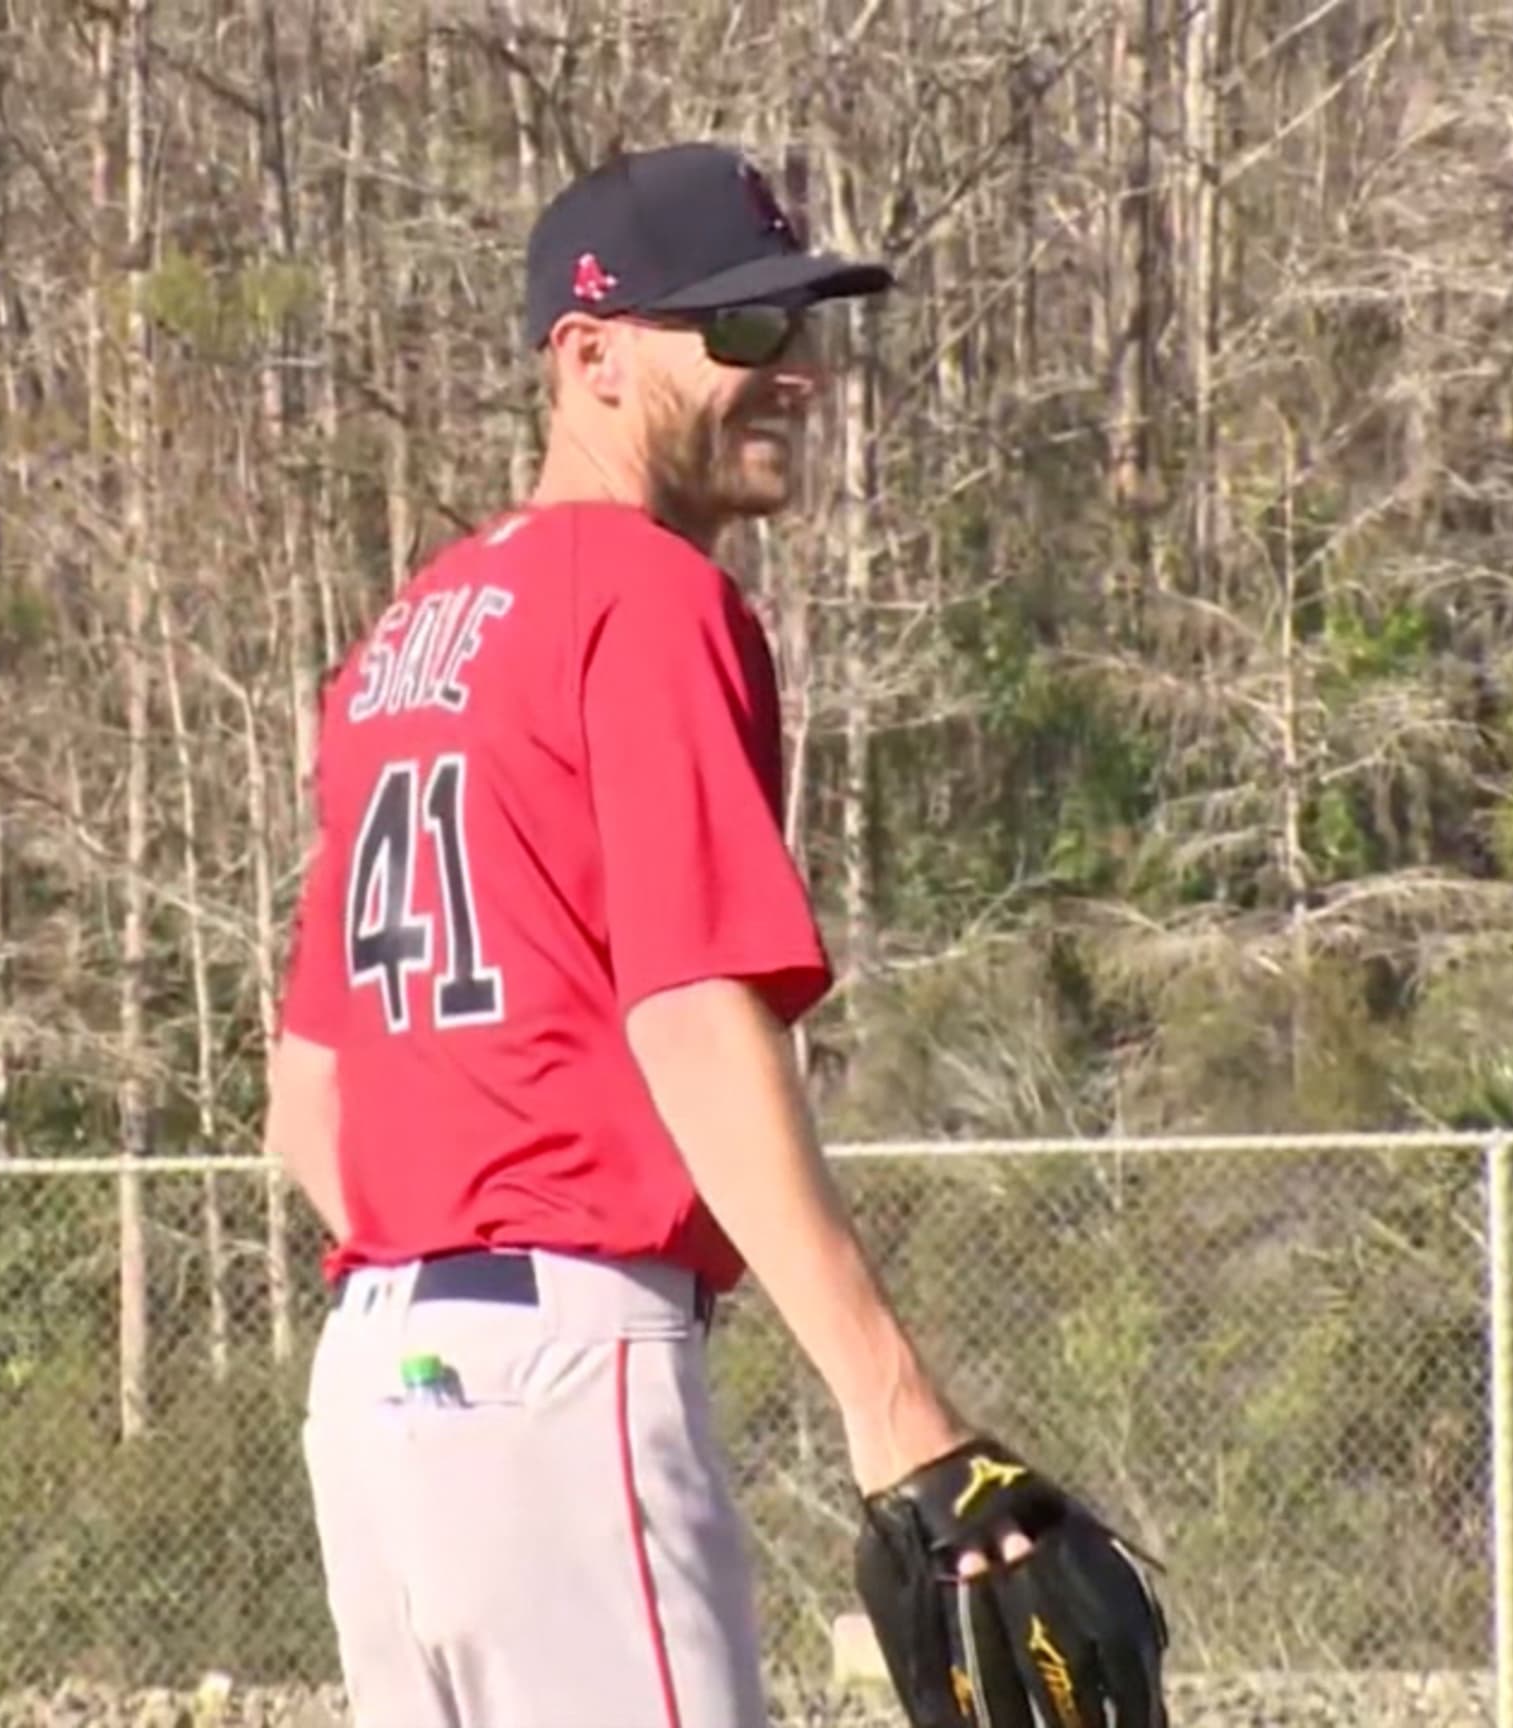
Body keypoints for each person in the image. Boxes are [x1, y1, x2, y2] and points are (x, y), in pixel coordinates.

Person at [261, 141, 1007, 1726]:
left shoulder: (403, 645)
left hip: (382, 1398)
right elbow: (688, 1015)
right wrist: (892, 1405)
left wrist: (461, 1258)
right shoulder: (651, 599)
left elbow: (309, 1098)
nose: (790, 372)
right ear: (588, 358)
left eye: (795, 332)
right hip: (562, 1373)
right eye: (736, 334)